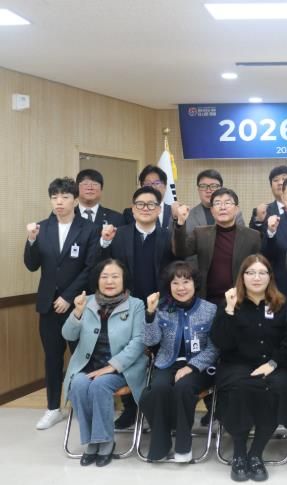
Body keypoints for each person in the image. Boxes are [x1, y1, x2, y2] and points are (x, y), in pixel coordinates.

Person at [211, 254, 287, 482]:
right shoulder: (230, 304)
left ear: (270, 277)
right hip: (236, 364)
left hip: (274, 364)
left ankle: (256, 453)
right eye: (251, 273)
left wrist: (272, 364)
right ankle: (239, 453)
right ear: (242, 277)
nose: (257, 278)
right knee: (239, 388)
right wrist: (230, 310)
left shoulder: (282, 304)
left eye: (262, 273)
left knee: (276, 387)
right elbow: (221, 342)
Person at [24, 177, 99, 430]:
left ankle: (85, 405)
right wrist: (31, 240)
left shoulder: (88, 229)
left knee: (83, 355)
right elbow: (32, 265)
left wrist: (68, 297)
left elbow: (90, 268)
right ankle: (53, 408)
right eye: (55, 197)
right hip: (48, 305)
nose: (59, 202)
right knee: (52, 358)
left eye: (65, 197)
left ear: (75, 200)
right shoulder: (42, 227)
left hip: (78, 304)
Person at [99, 186, 176, 429]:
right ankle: (130, 409)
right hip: (125, 307)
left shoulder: (168, 236)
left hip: (161, 308)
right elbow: (102, 267)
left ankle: (158, 410)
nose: (145, 208)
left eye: (151, 204)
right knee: (126, 355)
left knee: (161, 359)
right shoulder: (119, 235)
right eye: (140, 204)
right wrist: (104, 242)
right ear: (133, 209)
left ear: (159, 209)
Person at [62, 258, 148, 467]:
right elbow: (68, 334)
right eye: (104, 276)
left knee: (100, 385)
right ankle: (92, 441)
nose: (109, 281)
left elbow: (139, 342)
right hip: (89, 366)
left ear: (124, 279)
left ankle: (105, 441)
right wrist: (77, 312)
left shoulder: (136, 305)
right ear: (97, 280)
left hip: (122, 368)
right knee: (78, 384)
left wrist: (113, 366)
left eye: (115, 276)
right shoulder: (86, 301)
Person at [139, 261, 219, 463]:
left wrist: (191, 367)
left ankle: (183, 448)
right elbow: (150, 341)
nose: (181, 287)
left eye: (186, 282)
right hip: (167, 362)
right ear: (169, 286)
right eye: (175, 283)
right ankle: (160, 447)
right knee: (157, 389)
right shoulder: (161, 308)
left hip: (200, 366)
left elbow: (214, 348)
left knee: (183, 387)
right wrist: (150, 314)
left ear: (195, 284)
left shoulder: (210, 309)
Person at [172, 187, 262, 306]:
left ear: (236, 209)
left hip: (240, 300)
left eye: (227, 203)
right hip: (207, 300)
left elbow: (259, 268)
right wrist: (180, 223)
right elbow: (180, 251)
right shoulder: (200, 233)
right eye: (217, 203)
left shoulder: (252, 236)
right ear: (212, 211)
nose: (222, 207)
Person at [185, 169, 246, 233]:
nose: (208, 190)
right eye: (203, 186)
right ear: (198, 190)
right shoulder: (189, 215)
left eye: (213, 186)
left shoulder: (234, 213)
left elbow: (241, 236)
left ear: (221, 189)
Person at [123, 165, 177, 230]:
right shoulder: (131, 212)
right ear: (142, 188)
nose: (152, 187)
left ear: (165, 187)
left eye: (157, 183)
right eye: (147, 184)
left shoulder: (174, 212)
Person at [249, 165, 287, 230]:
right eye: (276, 180)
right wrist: (259, 220)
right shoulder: (261, 212)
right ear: (271, 186)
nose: (280, 183)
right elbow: (253, 236)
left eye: (284, 179)